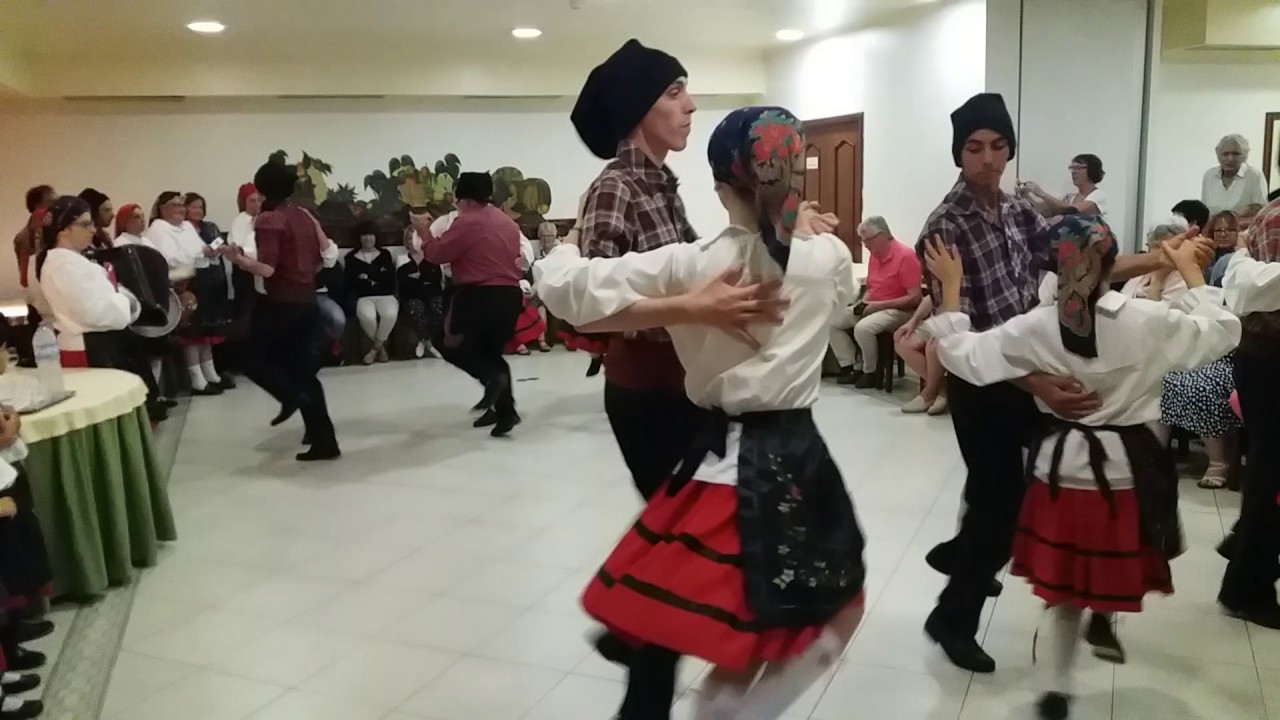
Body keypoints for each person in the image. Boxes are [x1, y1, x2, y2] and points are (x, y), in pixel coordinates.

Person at [537, 106, 863, 720]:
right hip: (799, 457)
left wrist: (568, 243)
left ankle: (711, 710)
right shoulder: (829, 260)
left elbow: (567, 292)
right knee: (822, 605)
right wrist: (800, 223)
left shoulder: (692, 266)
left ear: (718, 186)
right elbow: (838, 297)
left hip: (721, 464)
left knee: (711, 610)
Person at [919, 93, 1215, 674]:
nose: (988, 159)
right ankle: (953, 614)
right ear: (959, 153)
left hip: (1029, 369)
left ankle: (984, 563)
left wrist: (1162, 259)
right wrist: (1041, 386)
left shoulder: (1016, 212)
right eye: (975, 148)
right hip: (983, 379)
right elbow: (968, 336)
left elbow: (1083, 262)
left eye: (998, 146)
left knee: (1021, 495)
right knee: (1001, 504)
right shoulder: (944, 226)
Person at [921, 216, 1238, 720]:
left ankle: (1056, 686)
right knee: (1109, 566)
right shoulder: (1147, 320)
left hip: (1060, 471)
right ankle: (1104, 620)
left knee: (1064, 590)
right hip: (1124, 472)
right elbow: (1221, 334)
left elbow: (964, 356)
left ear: (1050, 267)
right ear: (1112, 264)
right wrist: (1189, 273)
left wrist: (953, 289)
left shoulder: (1037, 324)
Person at [229, 161, 340, 462]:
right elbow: (324, 256)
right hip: (307, 302)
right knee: (304, 373)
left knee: (244, 353)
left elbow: (266, 268)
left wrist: (237, 258)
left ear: (262, 189)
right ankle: (324, 441)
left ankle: (289, 396)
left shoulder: (269, 220)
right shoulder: (304, 215)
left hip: (280, 305)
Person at [35, 197, 169, 421]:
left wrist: (120, 298)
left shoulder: (73, 260)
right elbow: (98, 313)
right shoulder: (64, 265)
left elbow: (110, 295)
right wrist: (128, 302)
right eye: (85, 224)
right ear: (63, 230)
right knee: (114, 413)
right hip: (92, 346)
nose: (93, 229)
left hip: (102, 341)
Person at [413, 173, 524, 437]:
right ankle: (505, 412)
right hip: (510, 296)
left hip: (478, 295)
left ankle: (491, 382)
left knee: (447, 343)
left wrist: (423, 232)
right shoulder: (507, 222)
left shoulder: (467, 221)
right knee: (491, 353)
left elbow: (438, 254)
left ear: (460, 196)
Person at [1217, 192, 1280, 629]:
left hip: (1264, 355)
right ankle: (1247, 587)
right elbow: (1260, 292)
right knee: (1270, 473)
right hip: (1270, 356)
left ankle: (1243, 552)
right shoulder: (1277, 218)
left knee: (1268, 469)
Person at [144, 191, 228, 395]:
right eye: (175, 205)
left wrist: (210, 251)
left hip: (200, 279)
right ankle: (196, 379)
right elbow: (169, 258)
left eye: (182, 204)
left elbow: (199, 251)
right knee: (191, 333)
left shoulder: (187, 226)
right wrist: (201, 253)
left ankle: (210, 373)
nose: (181, 209)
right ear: (162, 209)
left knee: (204, 331)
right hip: (181, 285)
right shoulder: (158, 230)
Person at [828, 216, 921, 388]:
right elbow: (872, 287)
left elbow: (915, 297)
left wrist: (878, 306)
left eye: (867, 240)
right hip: (874, 304)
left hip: (900, 310)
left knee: (863, 328)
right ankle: (850, 366)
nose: (865, 245)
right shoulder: (875, 256)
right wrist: (863, 303)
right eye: (863, 241)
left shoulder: (906, 256)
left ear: (881, 236)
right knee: (833, 321)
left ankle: (869, 372)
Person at [345, 221, 399, 364]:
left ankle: (374, 349)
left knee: (390, 314)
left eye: (371, 235)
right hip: (363, 297)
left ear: (376, 237)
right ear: (359, 238)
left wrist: (366, 278)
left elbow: (389, 281)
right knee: (367, 317)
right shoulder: (351, 258)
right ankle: (381, 349)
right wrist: (375, 278)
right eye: (364, 235)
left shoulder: (385, 255)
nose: (368, 238)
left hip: (386, 295)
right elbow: (351, 283)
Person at [892, 294, 948, 414]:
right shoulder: (936, 278)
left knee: (932, 348)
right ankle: (942, 388)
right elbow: (932, 297)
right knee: (902, 342)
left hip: (960, 320)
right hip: (937, 320)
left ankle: (929, 393)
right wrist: (912, 321)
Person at [396, 227, 443, 359]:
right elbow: (403, 282)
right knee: (416, 307)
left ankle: (423, 340)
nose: (413, 242)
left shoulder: (432, 258)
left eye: (417, 238)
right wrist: (423, 279)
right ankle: (428, 344)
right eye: (410, 238)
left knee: (439, 307)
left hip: (432, 294)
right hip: (412, 296)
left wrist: (418, 279)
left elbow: (435, 279)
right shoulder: (402, 259)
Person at [1019, 154, 1108, 221]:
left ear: (1092, 170)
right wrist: (1026, 196)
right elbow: (1041, 211)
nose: (1074, 172)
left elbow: (1071, 210)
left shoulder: (1098, 195)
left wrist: (1041, 194)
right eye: (1072, 168)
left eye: (1078, 167)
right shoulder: (1070, 197)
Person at [1201, 134, 1267, 218]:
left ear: (1245, 155)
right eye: (1225, 154)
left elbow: (1261, 211)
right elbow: (1204, 211)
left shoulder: (1254, 175)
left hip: (1244, 229)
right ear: (1218, 155)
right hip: (1214, 229)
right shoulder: (1209, 175)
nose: (1230, 159)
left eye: (1236, 154)